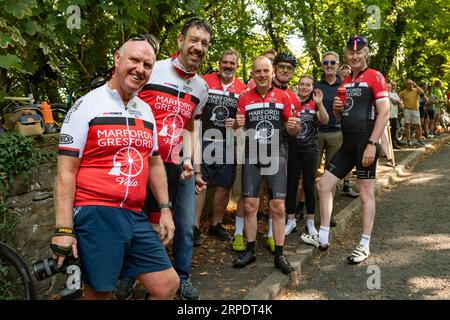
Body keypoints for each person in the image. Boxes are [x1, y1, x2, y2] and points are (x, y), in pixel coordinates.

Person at [52, 35, 180, 300]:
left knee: (166, 285)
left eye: (147, 64)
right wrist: (63, 229)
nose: (140, 68)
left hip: (135, 215)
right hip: (97, 213)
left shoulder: (145, 111)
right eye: (134, 59)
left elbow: (154, 162)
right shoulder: (86, 105)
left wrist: (165, 208)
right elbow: (66, 172)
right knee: (101, 294)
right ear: (117, 58)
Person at [136, 18, 212, 300]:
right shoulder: (152, 70)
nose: (198, 47)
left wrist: (192, 161)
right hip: (144, 166)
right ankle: (128, 276)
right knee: (139, 224)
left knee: (185, 226)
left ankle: (182, 278)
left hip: (180, 168)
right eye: (193, 40)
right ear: (180, 41)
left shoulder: (201, 88)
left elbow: (191, 126)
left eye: (204, 43)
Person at [310, 35, 390, 265]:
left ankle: (364, 244)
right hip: (347, 145)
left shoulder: (375, 77)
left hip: (366, 144)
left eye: (359, 52)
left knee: (365, 194)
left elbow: (384, 113)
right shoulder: (345, 82)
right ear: (346, 55)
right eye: (351, 53)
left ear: (366, 53)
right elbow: (341, 116)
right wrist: (337, 110)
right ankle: (323, 236)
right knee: (323, 185)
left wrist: (372, 144)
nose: (355, 56)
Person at [233, 55, 299, 274]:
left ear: (272, 73)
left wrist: (293, 126)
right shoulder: (243, 98)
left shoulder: (284, 96)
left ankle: (279, 255)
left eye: (265, 71)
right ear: (252, 74)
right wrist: (236, 125)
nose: (262, 75)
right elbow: (238, 133)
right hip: (252, 154)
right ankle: (250, 251)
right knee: (250, 205)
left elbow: (293, 131)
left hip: (276, 154)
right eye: (257, 71)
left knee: (277, 206)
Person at [194, 49, 247, 244]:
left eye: (232, 63)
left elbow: (244, 118)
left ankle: (216, 224)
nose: (228, 66)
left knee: (225, 186)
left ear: (237, 66)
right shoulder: (204, 81)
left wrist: (238, 123)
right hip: (204, 140)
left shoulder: (242, 88)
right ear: (219, 63)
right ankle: (195, 227)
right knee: (200, 185)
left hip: (228, 143)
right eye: (225, 62)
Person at [314, 52, 358, 222]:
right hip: (317, 134)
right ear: (322, 64)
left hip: (337, 133)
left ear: (338, 64)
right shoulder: (316, 86)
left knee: (331, 175)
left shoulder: (346, 84)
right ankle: (308, 210)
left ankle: (327, 214)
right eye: (326, 62)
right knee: (311, 174)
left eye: (333, 62)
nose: (329, 65)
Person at [285, 75, 329, 244]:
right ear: (298, 86)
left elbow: (325, 120)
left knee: (309, 185)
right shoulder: (291, 102)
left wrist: (319, 103)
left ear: (311, 88)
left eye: (307, 85)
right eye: (302, 84)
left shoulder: (314, 103)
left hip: (310, 149)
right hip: (293, 149)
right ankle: (291, 221)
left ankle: (310, 222)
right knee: (291, 185)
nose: (304, 87)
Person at [399, 79, 425, 146]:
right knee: (407, 125)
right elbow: (398, 100)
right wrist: (401, 106)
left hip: (415, 110)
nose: (410, 85)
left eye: (411, 83)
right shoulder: (403, 92)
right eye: (408, 84)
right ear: (406, 85)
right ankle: (408, 140)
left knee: (418, 125)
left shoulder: (416, 90)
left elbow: (422, 92)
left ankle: (419, 140)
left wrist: (416, 85)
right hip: (407, 110)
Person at [388, 81, 403, 149]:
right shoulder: (388, 93)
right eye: (392, 85)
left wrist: (399, 102)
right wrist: (398, 102)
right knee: (392, 130)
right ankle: (393, 144)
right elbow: (395, 101)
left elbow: (400, 103)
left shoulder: (395, 94)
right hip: (390, 115)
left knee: (395, 129)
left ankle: (396, 141)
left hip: (395, 114)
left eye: (395, 85)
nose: (394, 87)